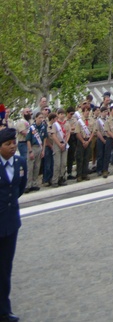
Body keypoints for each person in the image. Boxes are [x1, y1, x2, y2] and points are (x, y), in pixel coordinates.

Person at [0, 125, 26, 322]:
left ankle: (4, 309)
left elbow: (19, 188)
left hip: (11, 222)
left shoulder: (19, 162)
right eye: (7, 144)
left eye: (13, 143)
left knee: (6, 267)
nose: (12, 147)